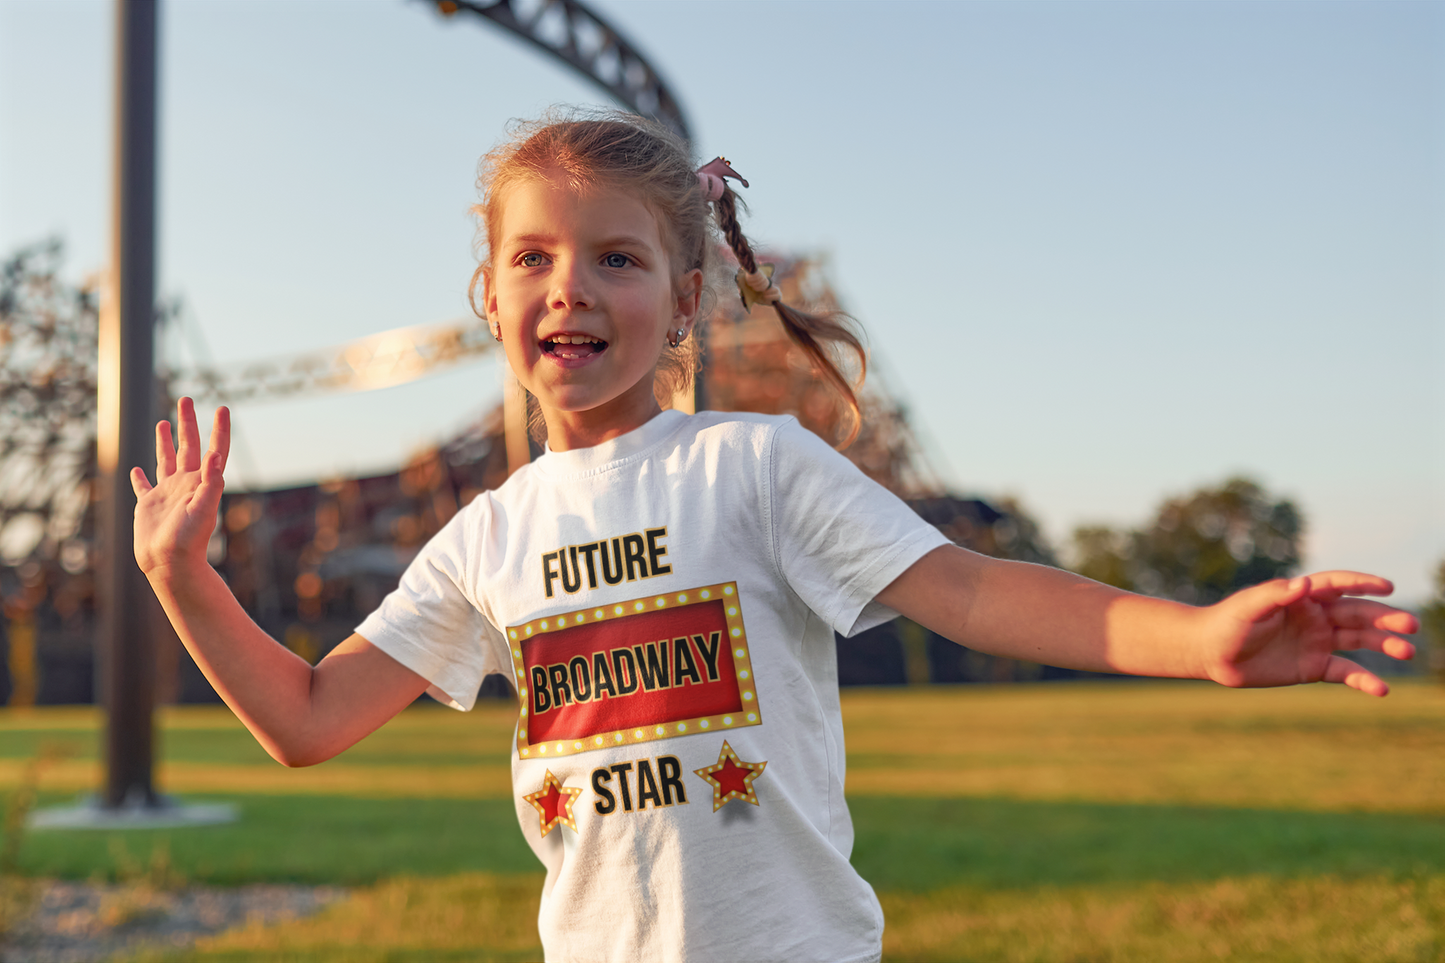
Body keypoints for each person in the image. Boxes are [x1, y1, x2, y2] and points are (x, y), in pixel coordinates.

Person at [130, 110, 1418, 963]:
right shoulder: (485, 535)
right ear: (492, 295)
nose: (571, 285)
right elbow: (303, 721)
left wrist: (1197, 639)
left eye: (617, 260)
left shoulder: (753, 466)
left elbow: (972, 592)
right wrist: (180, 577)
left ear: (684, 301)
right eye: (534, 258)